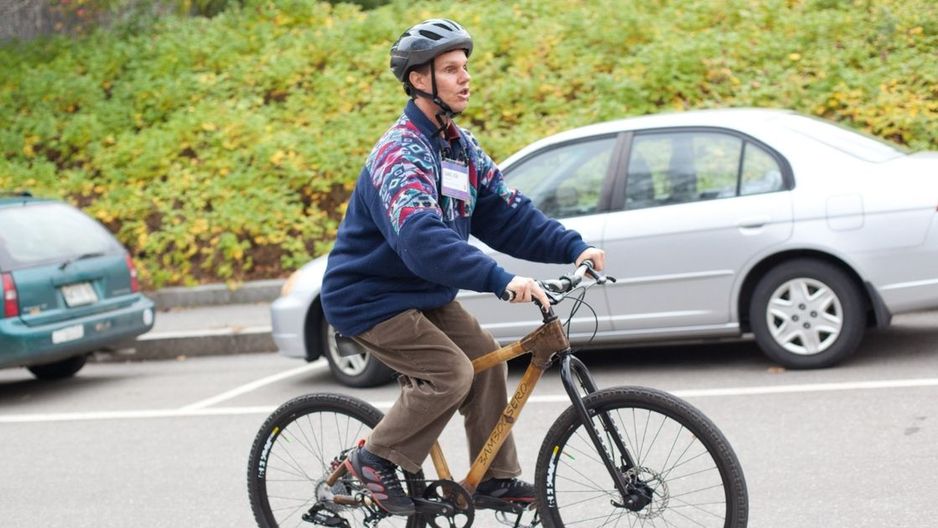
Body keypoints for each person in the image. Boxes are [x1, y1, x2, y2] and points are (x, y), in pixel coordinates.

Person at [320, 18, 605, 516]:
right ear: (418, 79)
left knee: (486, 360)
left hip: (422, 292)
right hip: (368, 298)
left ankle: (494, 479)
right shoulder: (399, 152)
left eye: (465, 67)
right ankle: (374, 458)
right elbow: (422, 239)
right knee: (450, 373)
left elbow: (507, 214)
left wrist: (572, 247)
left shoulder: (459, 146)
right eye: (451, 69)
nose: (465, 77)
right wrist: (500, 279)